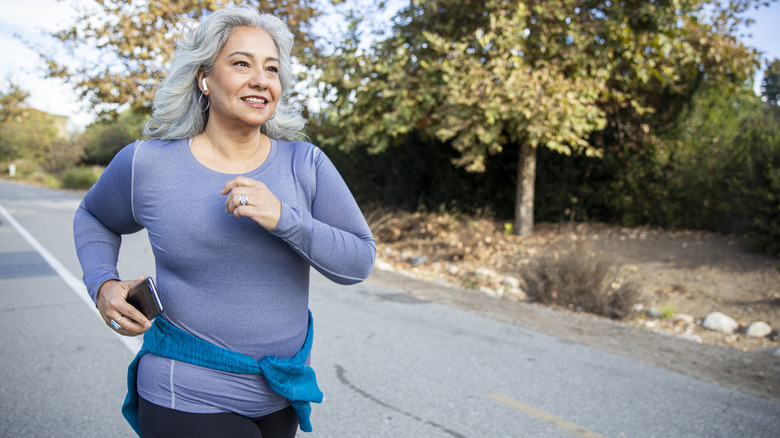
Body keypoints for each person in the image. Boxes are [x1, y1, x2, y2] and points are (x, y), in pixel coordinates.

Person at [73, 6, 376, 438]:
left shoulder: (305, 163)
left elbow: (359, 261)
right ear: (204, 79)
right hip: (186, 391)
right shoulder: (148, 163)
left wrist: (284, 219)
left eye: (271, 68)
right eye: (241, 64)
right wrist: (102, 283)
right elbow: (94, 216)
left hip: (281, 393)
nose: (261, 79)